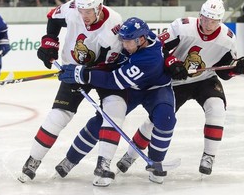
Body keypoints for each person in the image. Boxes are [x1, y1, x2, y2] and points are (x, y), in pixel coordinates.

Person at [115, 0, 244, 176]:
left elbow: (224, 73)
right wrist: (171, 62)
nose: (209, 25)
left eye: (214, 21)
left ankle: (209, 156)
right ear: (200, 15)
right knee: (156, 120)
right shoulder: (182, 26)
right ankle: (130, 155)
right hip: (177, 81)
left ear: (220, 20)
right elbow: (156, 47)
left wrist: (237, 68)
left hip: (205, 80)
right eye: (205, 19)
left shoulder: (227, 39)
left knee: (217, 108)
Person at [18, 0, 127, 184]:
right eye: (81, 10)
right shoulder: (72, 8)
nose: (83, 15)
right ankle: (33, 160)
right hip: (73, 68)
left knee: (114, 111)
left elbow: (102, 61)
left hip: (104, 71)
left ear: (99, 7)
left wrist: (82, 75)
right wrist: (49, 43)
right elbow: (53, 18)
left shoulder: (113, 22)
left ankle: (103, 164)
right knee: (57, 116)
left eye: (88, 11)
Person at [56, 17, 178, 185]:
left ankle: (155, 162)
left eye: (128, 42)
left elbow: (114, 81)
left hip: (156, 89)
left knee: (166, 118)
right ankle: (70, 160)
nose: (124, 44)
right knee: (101, 121)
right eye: (123, 40)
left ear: (141, 40)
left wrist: (84, 75)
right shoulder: (142, 36)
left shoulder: (149, 59)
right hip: (132, 88)